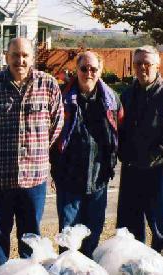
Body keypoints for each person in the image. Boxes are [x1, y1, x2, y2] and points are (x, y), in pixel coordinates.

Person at [0, 38, 64, 272]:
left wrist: (38, 151)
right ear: (6, 56)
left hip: (34, 179)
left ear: (32, 57)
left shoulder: (48, 85)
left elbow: (57, 124)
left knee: (30, 239)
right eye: (15, 55)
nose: (20, 60)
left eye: (25, 55)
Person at [116, 45, 163, 252]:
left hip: (161, 169)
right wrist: (123, 153)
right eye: (138, 64)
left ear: (157, 66)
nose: (142, 68)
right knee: (129, 225)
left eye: (147, 64)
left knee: (162, 226)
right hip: (132, 168)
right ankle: (135, 271)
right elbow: (119, 131)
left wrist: (155, 156)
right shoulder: (127, 96)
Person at [50, 50, 122, 257]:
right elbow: (51, 136)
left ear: (101, 71)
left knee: (93, 230)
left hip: (98, 177)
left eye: (93, 69)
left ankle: (89, 270)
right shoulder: (61, 98)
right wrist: (56, 169)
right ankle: (67, 274)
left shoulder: (111, 100)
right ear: (76, 70)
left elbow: (120, 132)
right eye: (84, 68)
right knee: (69, 231)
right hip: (68, 178)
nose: (88, 73)